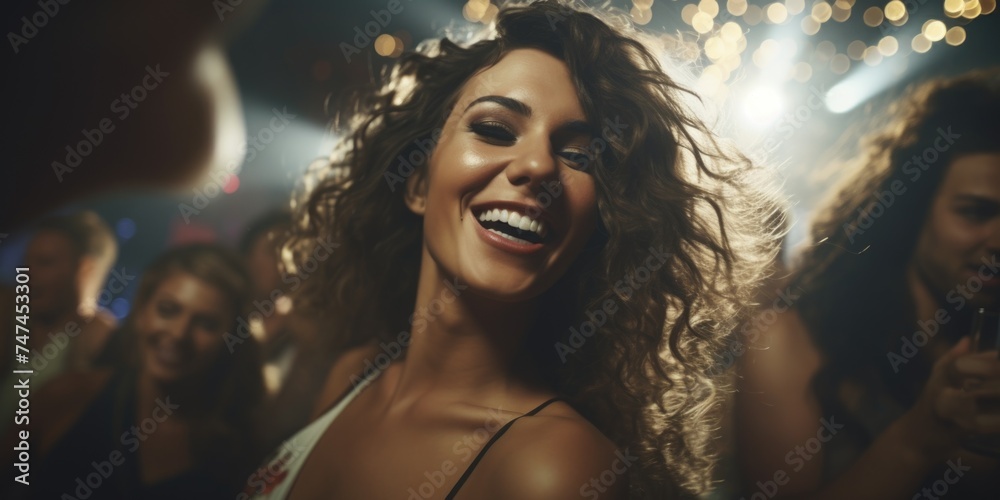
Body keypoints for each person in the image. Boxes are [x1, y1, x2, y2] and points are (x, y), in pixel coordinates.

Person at [248, 1, 776, 499]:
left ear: (599, 228)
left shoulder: (555, 467)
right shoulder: (352, 375)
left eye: (578, 155)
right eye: (495, 130)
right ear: (415, 184)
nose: (539, 167)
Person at [735, 69, 1000, 498]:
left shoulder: (980, 342)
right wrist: (916, 442)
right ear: (911, 210)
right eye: (975, 212)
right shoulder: (790, 341)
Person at [12, 244, 265, 499]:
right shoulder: (67, 395)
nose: (178, 334)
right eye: (168, 310)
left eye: (206, 324)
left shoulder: (236, 449)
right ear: (142, 312)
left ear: (232, 338)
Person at [0, 211, 120, 436]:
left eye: (44, 263)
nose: (26, 274)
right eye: (26, 263)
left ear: (85, 270)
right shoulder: (9, 318)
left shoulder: (102, 345)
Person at [239, 209, 333, 450]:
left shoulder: (313, 331)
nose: (288, 262)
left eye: (297, 251)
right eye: (274, 250)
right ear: (245, 260)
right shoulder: (222, 324)